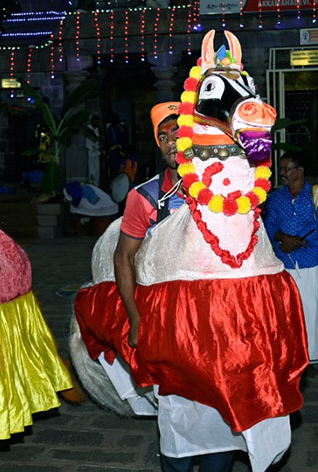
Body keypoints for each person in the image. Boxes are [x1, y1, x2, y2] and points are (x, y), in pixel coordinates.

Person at [111, 101, 236, 472]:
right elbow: (123, 258)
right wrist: (134, 317)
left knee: (219, 409)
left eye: (177, 133)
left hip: (218, 323)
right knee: (177, 411)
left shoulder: (227, 190)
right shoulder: (145, 198)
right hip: (168, 325)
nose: (170, 142)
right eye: (162, 137)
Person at [264, 152, 318, 363]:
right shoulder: (276, 197)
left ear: (299, 170)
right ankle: (288, 358)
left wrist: (297, 241)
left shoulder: (315, 194)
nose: (282, 173)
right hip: (283, 261)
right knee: (285, 312)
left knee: (309, 310)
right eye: (281, 169)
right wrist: (283, 238)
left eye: (286, 169)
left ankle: (310, 359)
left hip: (308, 260)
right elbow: (269, 224)